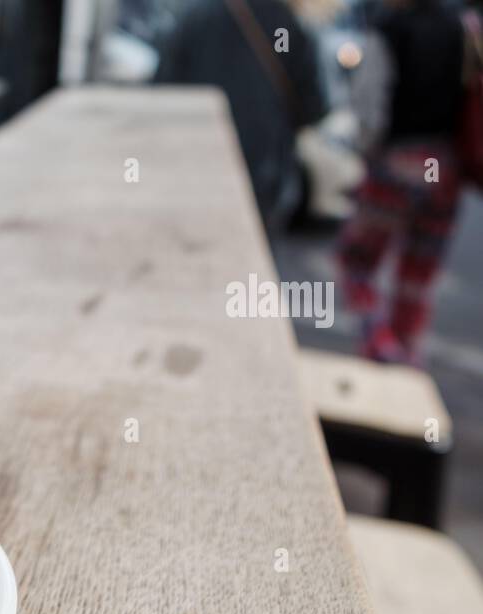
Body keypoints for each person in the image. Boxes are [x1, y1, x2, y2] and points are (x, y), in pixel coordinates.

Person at [337, 0, 471, 365]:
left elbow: (369, 101)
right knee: (419, 273)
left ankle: (378, 342)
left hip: (398, 163)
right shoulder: (460, 26)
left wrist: (367, 151)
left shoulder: (391, 27)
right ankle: (407, 352)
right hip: (444, 167)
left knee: (357, 260)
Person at [155, 0, 328, 233]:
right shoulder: (284, 23)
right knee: (251, 251)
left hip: (194, 162)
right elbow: (312, 105)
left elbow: (163, 89)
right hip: (261, 167)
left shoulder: (194, 14)